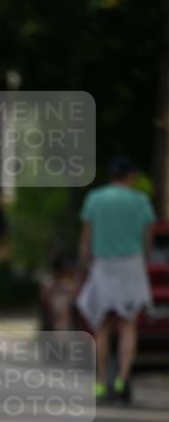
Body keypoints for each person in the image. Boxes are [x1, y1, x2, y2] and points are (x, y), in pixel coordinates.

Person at [77, 156, 156, 402]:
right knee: (129, 325)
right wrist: (144, 260)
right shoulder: (140, 201)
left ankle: (100, 382)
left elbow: (86, 239)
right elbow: (148, 238)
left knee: (102, 326)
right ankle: (122, 377)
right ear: (130, 175)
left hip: (103, 265)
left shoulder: (95, 198)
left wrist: (84, 266)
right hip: (131, 265)